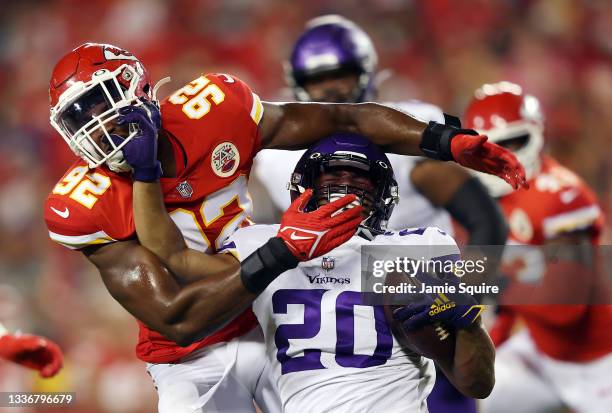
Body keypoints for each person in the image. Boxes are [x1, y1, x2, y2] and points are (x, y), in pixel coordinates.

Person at [44, 42, 522, 411]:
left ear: (135, 85)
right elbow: (178, 318)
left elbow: (339, 118)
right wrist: (283, 249)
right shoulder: (84, 205)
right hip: (192, 353)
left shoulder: (215, 111)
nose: (97, 125)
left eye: (99, 102)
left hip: (270, 313)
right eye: (78, 116)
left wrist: (442, 139)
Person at [132, 131, 496, 412]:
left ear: (382, 194)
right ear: (304, 188)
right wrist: (145, 172)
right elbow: (176, 262)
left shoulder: (414, 249)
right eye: (331, 178)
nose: (345, 187)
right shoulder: (263, 243)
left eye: (360, 180)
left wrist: (469, 318)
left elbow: (477, 383)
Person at [251, 15, 506, 413]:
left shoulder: (407, 129)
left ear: (367, 73)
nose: (331, 89)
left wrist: (468, 294)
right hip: (331, 315)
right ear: (297, 82)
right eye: (319, 79)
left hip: (419, 308)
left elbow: (485, 219)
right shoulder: (274, 157)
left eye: (343, 74)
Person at [463, 81, 612, 413]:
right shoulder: (487, 201)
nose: (501, 157)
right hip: (539, 352)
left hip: (598, 360)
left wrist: (496, 278)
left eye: (512, 142)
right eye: (488, 148)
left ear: (536, 134)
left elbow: (565, 308)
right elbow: (502, 300)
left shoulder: (562, 195)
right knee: (473, 391)